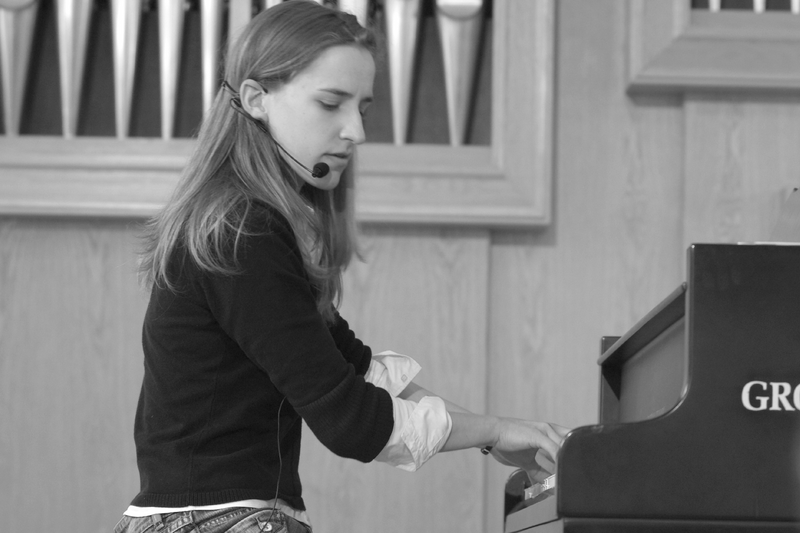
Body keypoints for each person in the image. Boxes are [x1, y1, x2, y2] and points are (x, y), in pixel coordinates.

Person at [113, 1, 569, 532]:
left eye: (363, 109)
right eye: (331, 103)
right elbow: (349, 419)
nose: (356, 131)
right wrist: (492, 431)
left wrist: (496, 432)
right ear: (256, 99)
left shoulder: (242, 222)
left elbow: (354, 369)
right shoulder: (243, 231)